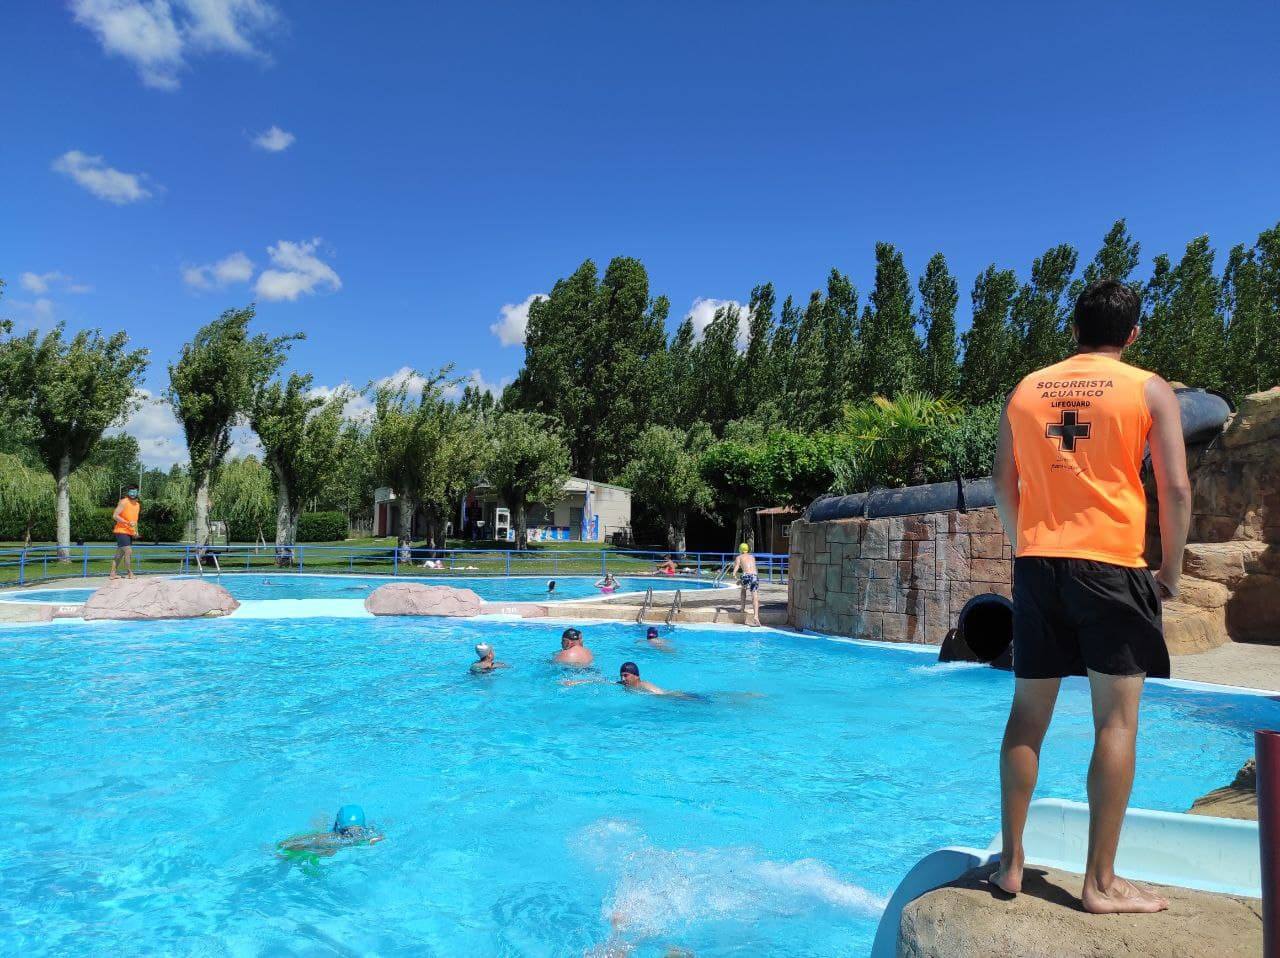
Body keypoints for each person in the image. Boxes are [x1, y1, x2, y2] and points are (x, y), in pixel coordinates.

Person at [990, 279, 1190, 915]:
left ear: (1074, 328)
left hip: (1038, 564)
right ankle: (1100, 884)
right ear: (1132, 334)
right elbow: (1177, 489)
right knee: (1116, 720)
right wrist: (1171, 570)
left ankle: (1013, 864)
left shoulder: (1026, 390)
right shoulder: (1147, 389)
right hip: (1111, 567)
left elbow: (1003, 485)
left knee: (1028, 715)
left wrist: (1029, 545)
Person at [277, 804, 384, 858]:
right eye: (349, 832)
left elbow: (284, 845)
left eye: (359, 831)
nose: (354, 835)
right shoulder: (327, 839)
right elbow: (285, 845)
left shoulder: (369, 835)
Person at [108, 486, 141, 580]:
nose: (132, 493)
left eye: (134, 491)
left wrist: (136, 531)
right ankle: (130, 573)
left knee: (119, 554)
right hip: (121, 531)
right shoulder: (123, 502)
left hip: (130, 532)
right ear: (128, 492)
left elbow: (135, 521)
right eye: (131, 491)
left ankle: (113, 574)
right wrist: (126, 522)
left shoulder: (137, 505)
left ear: (137, 492)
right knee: (128, 551)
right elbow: (115, 516)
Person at [729, 544, 760, 626]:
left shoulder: (739, 557)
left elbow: (736, 567)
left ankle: (742, 608)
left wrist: (734, 574)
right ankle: (756, 617)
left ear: (740, 550)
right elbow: (754, 567)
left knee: (743, 590)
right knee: (755, 595)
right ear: (747, 549)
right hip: (754, 575)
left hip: (746, 575)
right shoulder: (752, 557)